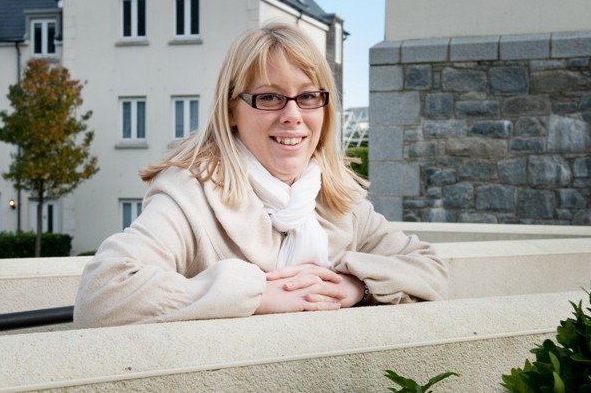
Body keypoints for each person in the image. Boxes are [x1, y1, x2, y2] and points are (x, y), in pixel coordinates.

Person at [73, 22, 447, 328]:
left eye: (308, 96)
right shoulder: (191, 195)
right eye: (269, 97)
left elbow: (430, 269)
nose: (292, 115)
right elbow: (103, 293)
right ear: (231, 110)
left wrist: (355, 285)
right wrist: (255, 294)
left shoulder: (336, 199)